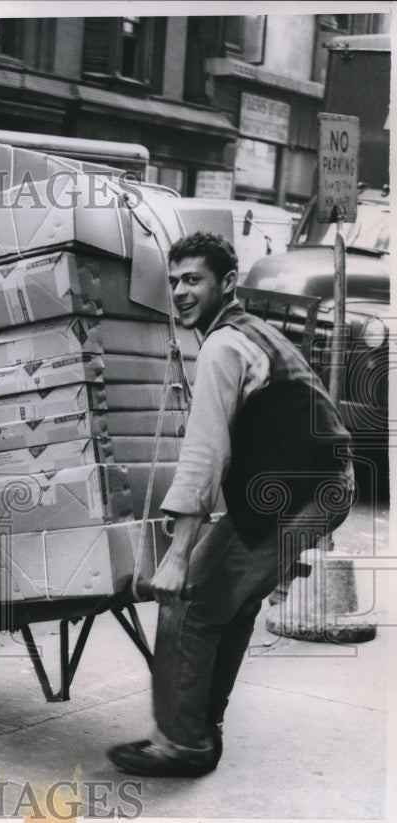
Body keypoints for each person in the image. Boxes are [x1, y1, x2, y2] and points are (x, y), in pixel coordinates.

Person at [108, 232, 353, 777]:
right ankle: (202, 728)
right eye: (173, 281)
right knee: (231, 604)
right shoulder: (246, 331)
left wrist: (176, 557)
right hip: (313, 484)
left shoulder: (222, 345)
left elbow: (205, 453)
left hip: (303, 491)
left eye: (193, 280)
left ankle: (181, 744)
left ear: (226, 283)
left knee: (188, 604)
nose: (180, 292)